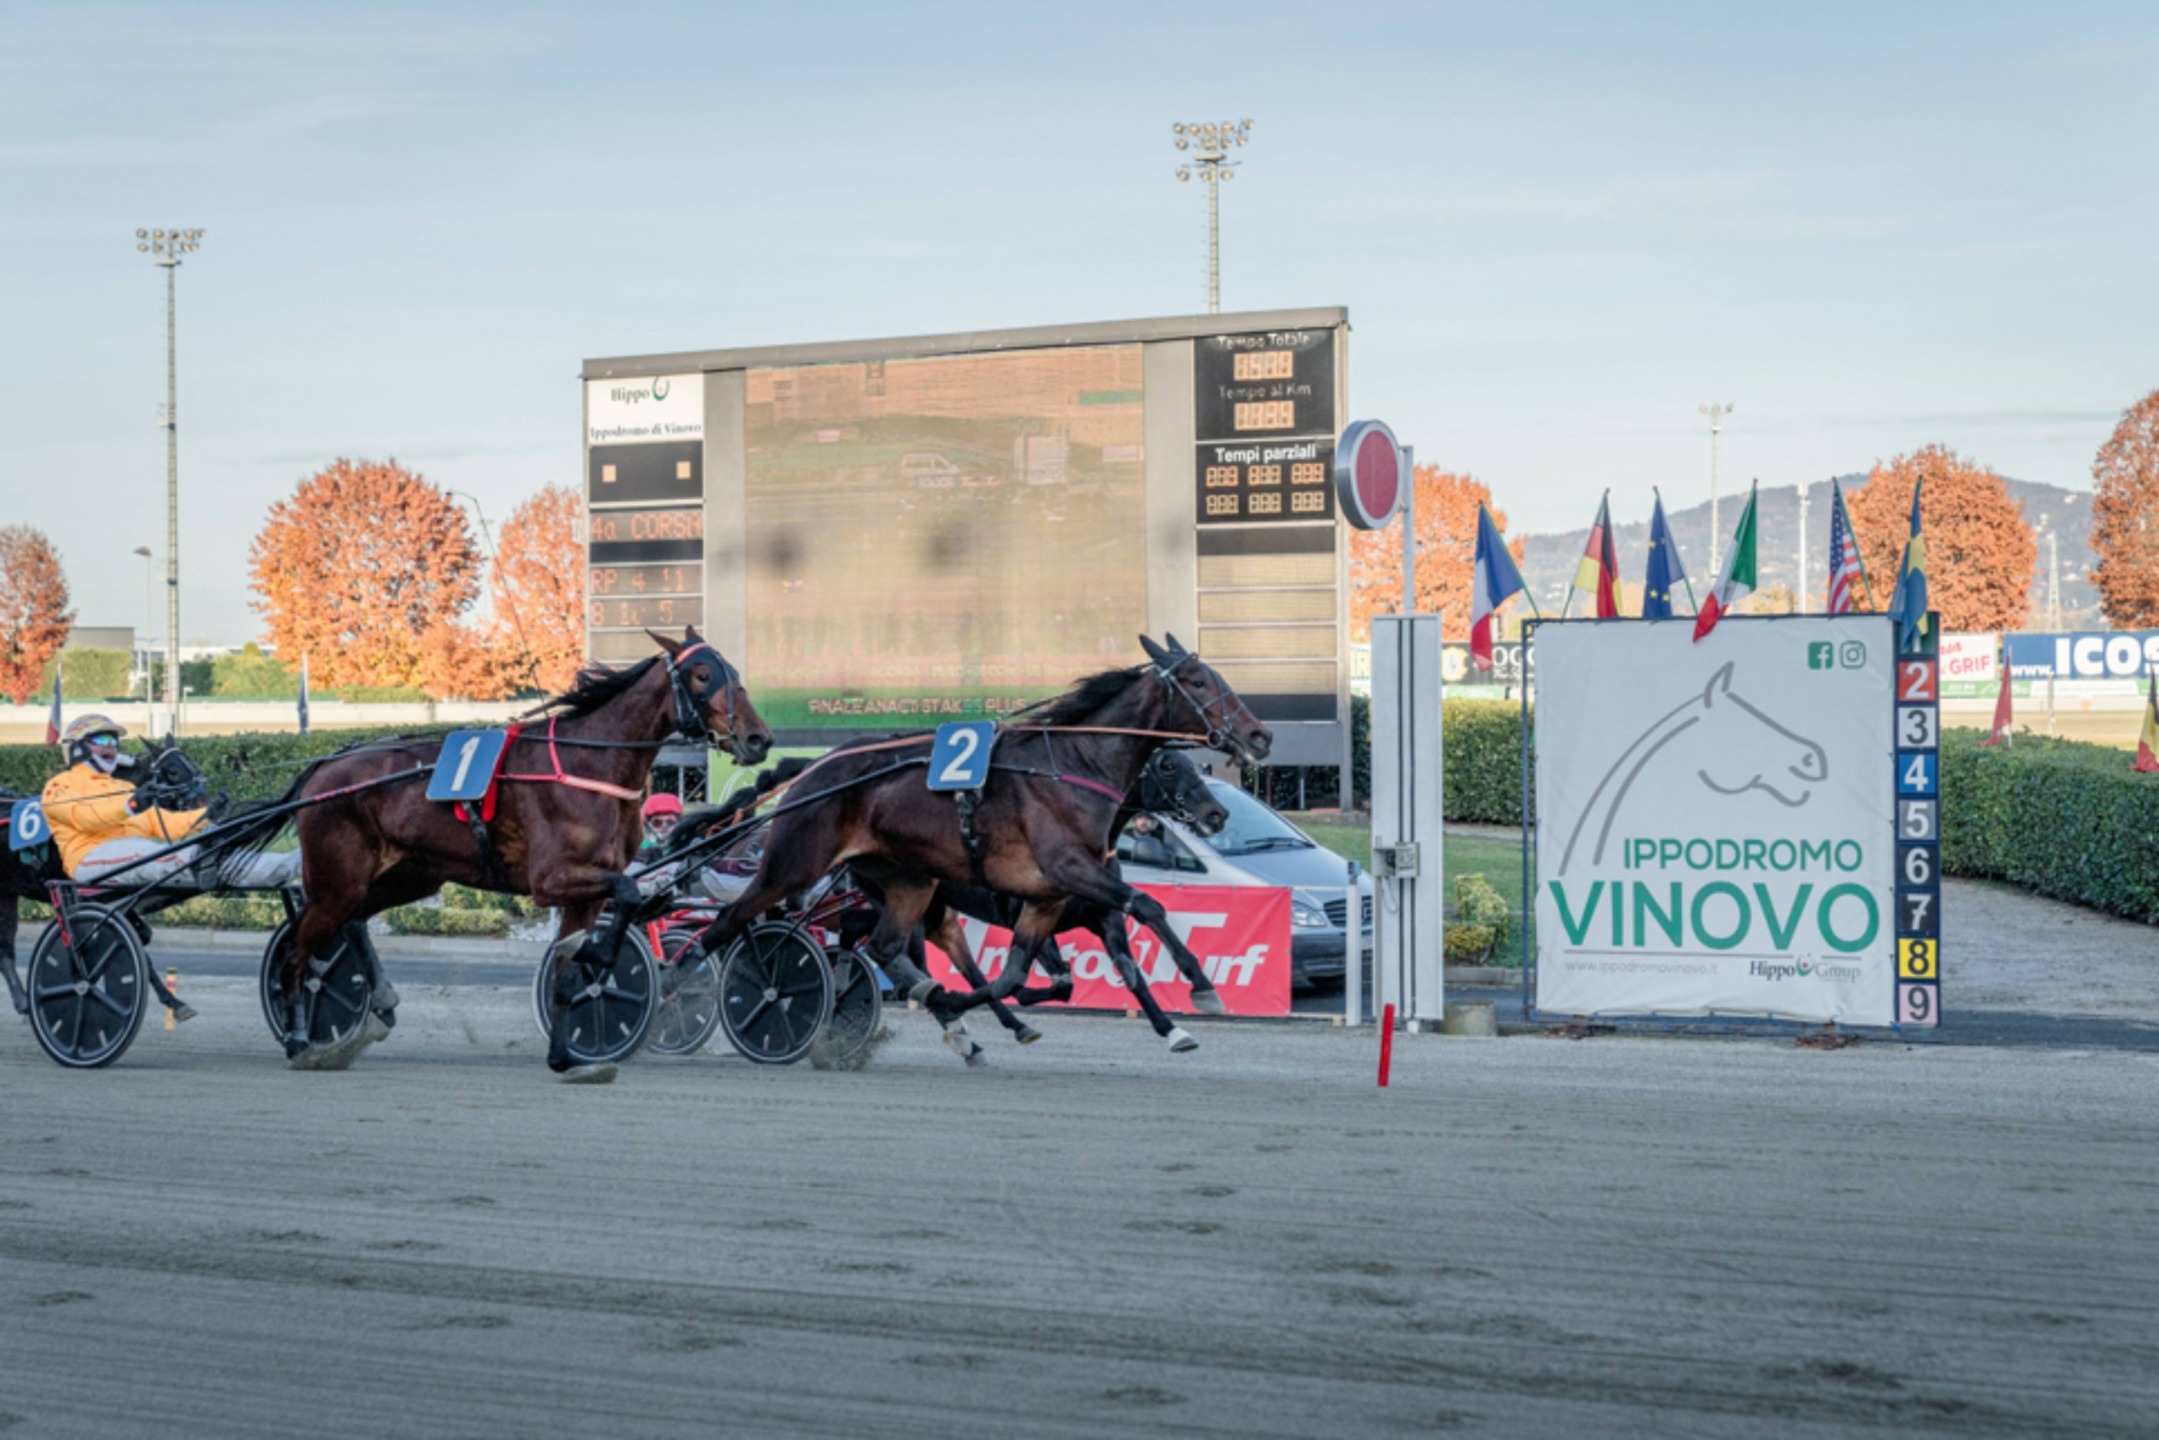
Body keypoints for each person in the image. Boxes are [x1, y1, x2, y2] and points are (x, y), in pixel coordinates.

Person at [41, 715, 298, 891]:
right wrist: (130, 806)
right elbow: (85, 817)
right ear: (77, 747)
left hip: (130, 852)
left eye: (114, 741)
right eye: (102, 741)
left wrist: (204, 816)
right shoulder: (58, 786)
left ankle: (292, 864)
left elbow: (161, 822)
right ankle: (204, 861)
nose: (111, 747)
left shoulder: (124, 787)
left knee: (205, 850)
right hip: (89, 858)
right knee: (156, 855)